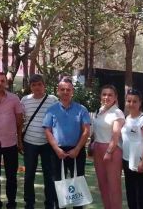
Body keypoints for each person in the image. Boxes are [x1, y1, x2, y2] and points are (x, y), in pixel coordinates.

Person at [42, 76, 91, 209]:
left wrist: (77, 149)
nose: (65, 92)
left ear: (72, 91)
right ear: (58, 91)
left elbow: (86, 131)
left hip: (77, 151)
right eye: (62, 89)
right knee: (57, 183)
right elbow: (47, 131)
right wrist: (57, 149)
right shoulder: (51, 110)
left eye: (68, 90)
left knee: (78, 182)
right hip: (57, 152)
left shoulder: (81, 109)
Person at [21, 74, 58, 209]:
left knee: (49, 175)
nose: (37, 87)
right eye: (34, 85)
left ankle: (50, 203)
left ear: (44, 85)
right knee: (29, 174)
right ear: (30, 87)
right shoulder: (24, 100)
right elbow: (21, 120)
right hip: (29, 142)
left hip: (48, 144)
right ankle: (29, 203)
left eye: (39, 84)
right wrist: (19, 141)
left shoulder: (53, 100)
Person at [0, 72, 24, 209]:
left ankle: (11, 202)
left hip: (11, 143)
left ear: (6, 83)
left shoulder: (14, 99)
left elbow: (19, 122)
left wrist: (19, 141)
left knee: (11, 176)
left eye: (2, 81)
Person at [90, 84, 124, 209]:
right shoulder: (100, 110)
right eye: (104, 94)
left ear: (115, 97)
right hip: (98, 149)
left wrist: (109, 152)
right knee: (102, 184)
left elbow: (116, 136)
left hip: (112, 150)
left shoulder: (117, 113)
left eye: (110, 95)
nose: (106, 97)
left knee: (113, 185)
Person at [121, 89, 143, 209]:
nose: (131, 104)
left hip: (140, 162)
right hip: (127, 161)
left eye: (135, 101)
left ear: (140, 102)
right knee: (131, 193)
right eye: (129, 101)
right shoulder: (126, 118)